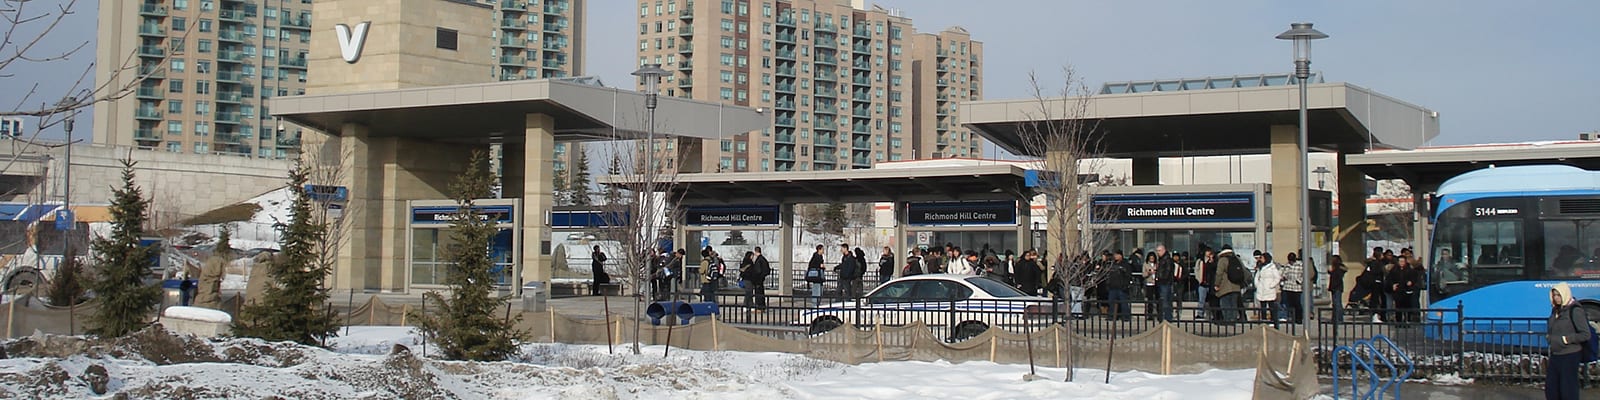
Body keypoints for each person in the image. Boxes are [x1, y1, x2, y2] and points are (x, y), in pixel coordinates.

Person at [1546, 282, 1591, 400]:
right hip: (1556, 355)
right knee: (1551, 390)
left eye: (1559, 295)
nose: (1556, 298)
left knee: (1568, 390)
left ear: (1565, 294)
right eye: (1554, 295)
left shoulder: (1575, 310)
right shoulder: (1555, 310)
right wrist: (1550, 338)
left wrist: (1566, 339)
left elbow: (1585, 334)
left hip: (1570, 355)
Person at [1212, 245, 1247, 324]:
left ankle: (1228, 320)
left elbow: (1219, 273)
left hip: (1225, 287)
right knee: (1234, 304)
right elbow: (1244, 271)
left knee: (1225, 304)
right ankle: (1233, 320)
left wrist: (1216, 284)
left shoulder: (1222, 260)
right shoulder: (1237, 259)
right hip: (1236, 286)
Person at [1104, 250, 1133, 321]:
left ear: (1121, 255)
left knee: (1123, 303)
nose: (1115, 256)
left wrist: (1125, 285)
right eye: (1115, 255)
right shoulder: (1112, 264)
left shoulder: (1125, 264)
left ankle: (1126, 317)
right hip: (1112, 287)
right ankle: (1112, 316)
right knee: (1111, 302)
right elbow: (1108, 275)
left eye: (1117, 255)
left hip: (1121, 287)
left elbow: (1128, 275)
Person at [1254, 252, 1283, 322]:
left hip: (1269, 290)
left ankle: (1273, 320)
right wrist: (1257, 285)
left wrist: (1271, 285)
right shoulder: (1260, 267)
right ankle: (1263, 320)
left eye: (1262, 258)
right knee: (1263, 306)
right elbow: (1257, 277)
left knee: (1271, 306)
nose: (1261, 259)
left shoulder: (1272, 267)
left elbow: (1277, 278)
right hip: (1261, 289)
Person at [1154, 245, 1180, 322]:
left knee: (1166, 301)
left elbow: (1167, 272)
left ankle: (1167, 318)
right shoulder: (1161, 259)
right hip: (1161, 283)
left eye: (1159, 250)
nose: (1158, 253)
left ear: (1163, 250)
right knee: (1163, 301)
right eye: (1157, 251)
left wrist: (1161, 278)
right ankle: (1164, 317)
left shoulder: (1167, 260)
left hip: (1165, 283)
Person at [1280, 252, 1305, 323]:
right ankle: (1292, 317)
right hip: (1288, 286)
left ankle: (1299, 318)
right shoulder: (1287, 265)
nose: (1290, 262)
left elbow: (1303, 274)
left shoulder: (1300, 265)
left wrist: (1299, 281)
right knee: (1289, 304)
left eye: (1291, 260)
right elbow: (1283, 274)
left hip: (1296, 288)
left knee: (1297, 303)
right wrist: (1284, 277)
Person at [1197, 247, 1218, 320]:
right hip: (1202, 283)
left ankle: (1212, 314)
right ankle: (1200, 314)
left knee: (1211, 300)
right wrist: (1199, 280)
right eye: (1207, 252)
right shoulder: (1201, 261)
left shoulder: (1214, 261)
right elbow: (1197, 270)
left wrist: (1212, 261)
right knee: (1201, 300)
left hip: (1210, 283)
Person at [1327, 254, 1347, 322]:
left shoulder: (1339, 268)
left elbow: (1337, 277)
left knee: (1337, 303)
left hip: (1337, 287)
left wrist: (1332, 273)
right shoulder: (1336, 268)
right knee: (1335, 303)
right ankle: (1335, 318)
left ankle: (1338, 318)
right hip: (1335, 287)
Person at [1141, 252, 1159, 320]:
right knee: (1150, 300)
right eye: (1150, 258)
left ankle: (1158, 314)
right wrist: (1148, 273)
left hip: (1156, 283)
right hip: (1149, 283)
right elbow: (1143, 274)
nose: (1152, 259)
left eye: (1153, 258)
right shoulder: (1145, 264)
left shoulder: (1157, 264)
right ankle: (1150, 314)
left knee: (1158, 299)